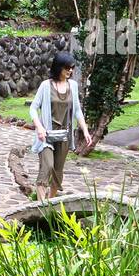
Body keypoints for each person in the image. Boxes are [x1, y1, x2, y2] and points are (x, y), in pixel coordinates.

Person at [29, 52, 93, 201]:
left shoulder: (73, 86)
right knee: (47, 167)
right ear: (58, 68)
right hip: (46, 135)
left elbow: (77, 110)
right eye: (67, 68)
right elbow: (33, 108)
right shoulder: (46, 86)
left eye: (71, 68)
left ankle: (50, 203)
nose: (70, 71)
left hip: (64, 136)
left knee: (58, 172)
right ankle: (41, 205)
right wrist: (39, 127)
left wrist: (85, 130)